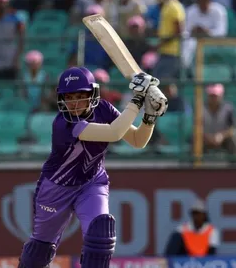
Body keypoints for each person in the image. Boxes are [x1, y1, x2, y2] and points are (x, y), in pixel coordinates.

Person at [17, 67, 168, 268]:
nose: (75, 103)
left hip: (91, 182)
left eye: (81, 96)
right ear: (62, 99)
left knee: (100, 233)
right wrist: (138, 99)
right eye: (70, 97)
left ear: (93, 94)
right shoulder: (64, 125)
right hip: (56, 187)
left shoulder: (103, 109)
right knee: (41, 249)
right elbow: (114, 133)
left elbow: (136, 140)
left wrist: (149, 118)